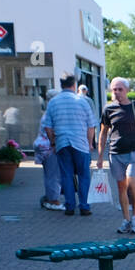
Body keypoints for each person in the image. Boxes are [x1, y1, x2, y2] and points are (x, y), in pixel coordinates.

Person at [97, 77, 135, 234]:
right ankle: (126, 220)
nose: (117, 92)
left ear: (127, 90)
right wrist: (100, 157)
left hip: (133, 152)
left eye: (120, 89)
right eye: (114, 89)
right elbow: (103, 133)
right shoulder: (108, 109)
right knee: (121, 188)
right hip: (115, 154)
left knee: (131, 183)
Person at [43, 72, 96, 215]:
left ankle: (70, 206)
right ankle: (84, 206)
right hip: (81, 143)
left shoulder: (53, 102)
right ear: (74, 85)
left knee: (66, 175)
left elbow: (47, 126)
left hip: (62, 143)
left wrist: (53, 142)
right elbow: (91, 126)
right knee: (84, 175)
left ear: (61, 85)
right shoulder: (82, 101)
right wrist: (90, 143)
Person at [34, 97, 64, 210]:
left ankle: (50, 197)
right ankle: (53, 200)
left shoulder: (47, 113)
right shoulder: (52, 115)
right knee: (53, 175)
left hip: (44, 147)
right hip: (50, 148)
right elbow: (52, 130)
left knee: (51, 174)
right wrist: (54, 144)